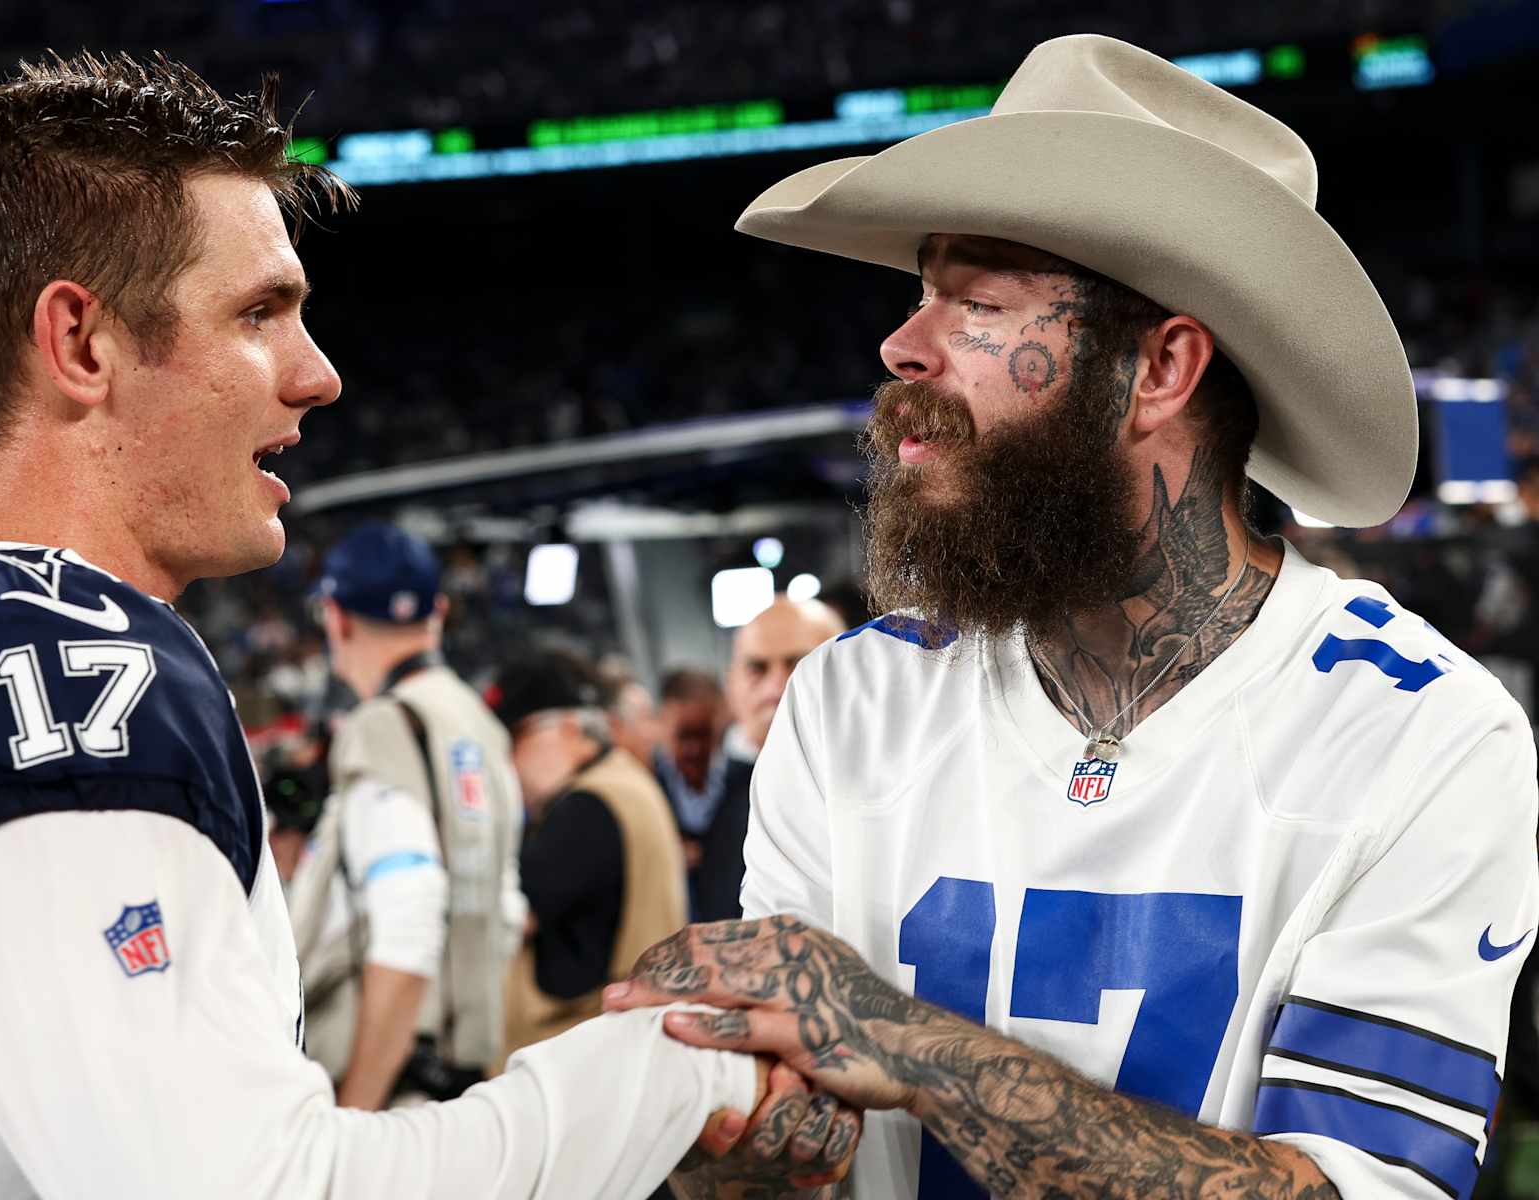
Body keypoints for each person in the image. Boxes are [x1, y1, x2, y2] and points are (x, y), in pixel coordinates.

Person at [0, 52, 855, 1199]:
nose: (317, 375)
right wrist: (682, 1072)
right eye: (260, 313)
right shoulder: (52, 663)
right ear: (81, 345)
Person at [609, 34, 1539, 1200]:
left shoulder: (1424, 735)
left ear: (1159, 370)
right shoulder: (855, 697)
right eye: (920, 292)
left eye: (976, 300)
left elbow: (1350, 1190)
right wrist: (717, 1109)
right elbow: (795, 1142)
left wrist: (904, 1043)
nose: (904, 346)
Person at [288, 521, 526, 1110]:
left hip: (391, 1088)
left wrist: (355, 1112)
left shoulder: (384, 725)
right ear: (438, 613)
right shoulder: (478, 722)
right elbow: (510, 911)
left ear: (335, 619)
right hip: (466, 1078)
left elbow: (410, 918)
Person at [493, 648, 689, 1059]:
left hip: (584, 1053)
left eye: (515, 739)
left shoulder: (589, 804)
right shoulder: (622, 782)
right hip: (624, 1044)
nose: (507, 761)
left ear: (570, 728)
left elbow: (508, 917)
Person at [692, 597, 846, 922]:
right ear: (731, 683)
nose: (777, 686)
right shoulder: (722, 783)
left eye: (799, 663)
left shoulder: (877, 793)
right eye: (756, 668)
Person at [654, 665, 729, 895]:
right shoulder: (647, 788)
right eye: (683, 736)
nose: (694, 749)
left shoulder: (749, 780)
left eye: (704, 734)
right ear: (663, 727)